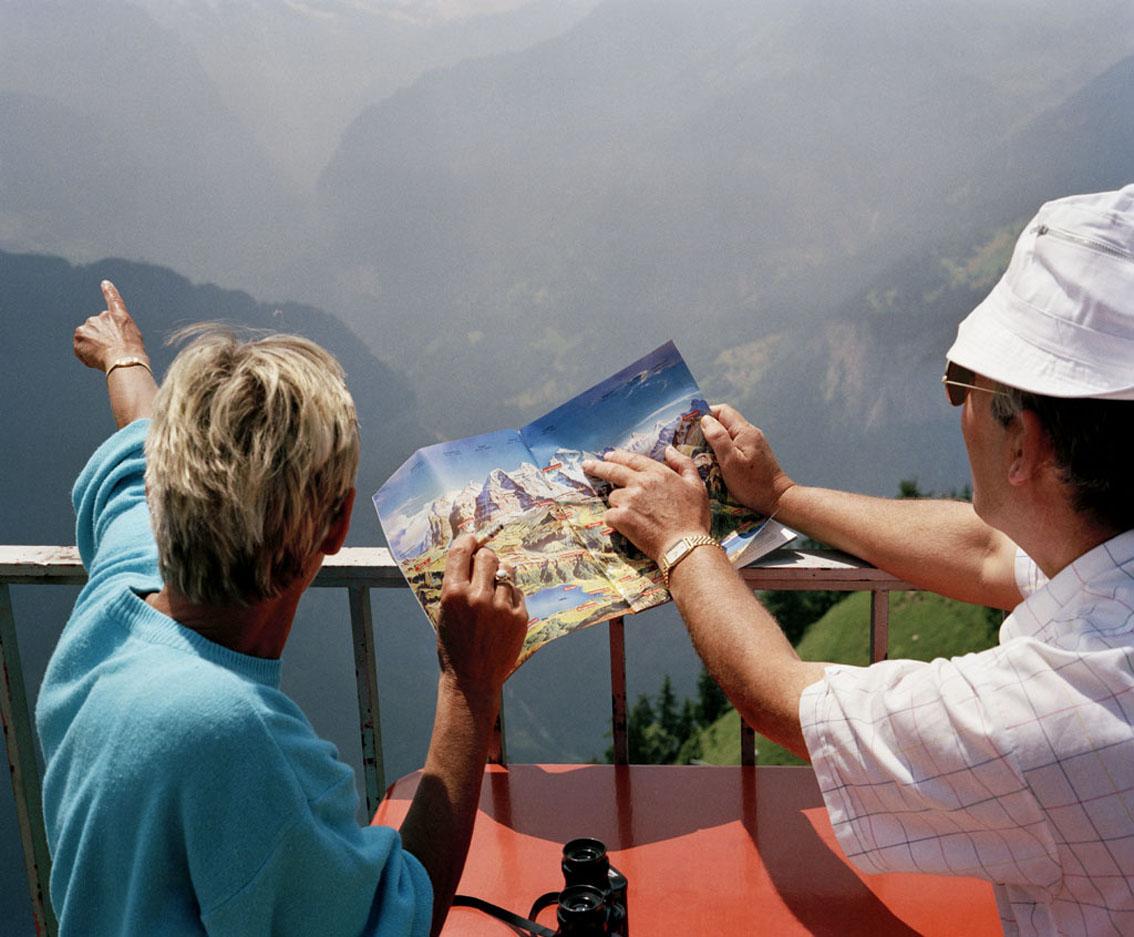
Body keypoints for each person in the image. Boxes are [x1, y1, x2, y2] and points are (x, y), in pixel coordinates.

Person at [585, 184, 1134, 935]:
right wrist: (780, 493)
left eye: (961, 385)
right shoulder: (1108, 561)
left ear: (1025, 444)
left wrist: (681, 539)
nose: (957, 406)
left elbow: (784, 698)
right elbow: (989, 553)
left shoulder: (1061, 709)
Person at [36, 282, 528, 936]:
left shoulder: (111, 604)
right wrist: (468, 683)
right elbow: (398, 915)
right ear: (337, 523)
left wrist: (126, 360)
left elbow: (140, 438)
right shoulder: (237, 742)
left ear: (166, 487)